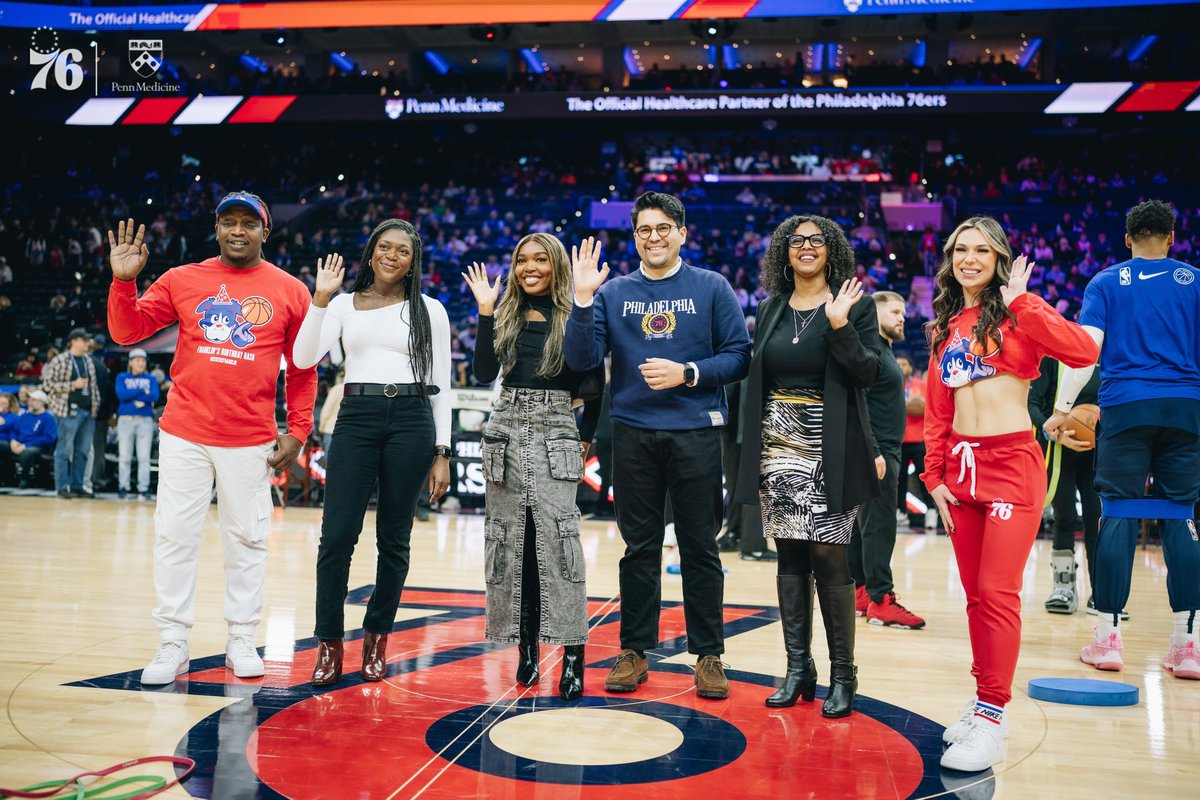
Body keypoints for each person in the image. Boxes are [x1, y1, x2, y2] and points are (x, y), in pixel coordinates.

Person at [106, 192, 318, 686]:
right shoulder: (183, 278)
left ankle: (241, 637)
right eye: (228, 222)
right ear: (216, 228)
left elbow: (304, 368)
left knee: (247, 540)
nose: (238, 231)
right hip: (185, 432)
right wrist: (123, 281)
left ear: (266, 231)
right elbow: (126, 331)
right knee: (173, 537)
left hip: (250, 438)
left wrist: (299, 430)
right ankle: (173, 643)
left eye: (248, 223)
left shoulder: (290, 291)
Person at [922, 216, 1098, 772]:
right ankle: (981, 704)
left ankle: (993, 718)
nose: (969, 259)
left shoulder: (1020, 312)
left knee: (998, 594)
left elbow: (1080, 352)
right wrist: (934, 477)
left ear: (999, 258)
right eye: (960, 249)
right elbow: (938, 408)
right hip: (961, 473)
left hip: (1011, 465)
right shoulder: (947, 322)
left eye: (981, 250)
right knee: (975, 597)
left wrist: (1024, 302)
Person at [564, 191, 751, 700]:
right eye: (644, 230)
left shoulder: (712, 288)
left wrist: (687, 373)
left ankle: (708, 654)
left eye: (663, 228)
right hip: (632, 431)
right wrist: (582, 301)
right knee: (639, 547)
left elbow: (739, 357)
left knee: (699, 546)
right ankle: (634, 650)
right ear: (635, 237)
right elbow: (582, 360)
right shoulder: (612, 292)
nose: (654, 237)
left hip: (695, 429)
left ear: (682, 233)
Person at [292, 219, 452, 688]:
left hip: (412, 418)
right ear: (371, 252)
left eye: (403, 250)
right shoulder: (341, 304)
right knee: (337, 536)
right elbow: (303, 358)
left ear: (412, 261)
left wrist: (442, 450)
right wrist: (319, 300)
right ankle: (328, 642)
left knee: (394, 539)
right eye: (385, 246)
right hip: (357, 415)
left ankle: (377, 636)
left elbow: (443, 385)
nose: (392, 255)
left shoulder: (430, 310)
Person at [1045, 200, 1200, 680]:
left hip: (1126, 406)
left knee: (1116, 510)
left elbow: (1085, 350)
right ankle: (1188, 644)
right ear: (1173, 237)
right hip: (1186, 409)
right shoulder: (1195, 281)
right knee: (1181, 514)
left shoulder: (1107, 282)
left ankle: (1107, 640)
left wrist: (1061, 409)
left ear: (1127, 238)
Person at [733, 215, 879, 718]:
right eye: (798, 241)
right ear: (785, 252)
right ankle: (799, 668)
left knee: (830, 558)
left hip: (830, 447)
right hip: (778, 448)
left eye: (817, 241)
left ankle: (844, 674)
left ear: (830, 251)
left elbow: (870, 372)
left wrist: (839, 326)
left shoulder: (853, 307)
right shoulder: (771, 307)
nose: (807, 247)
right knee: (790, 557)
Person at [465, 232, 605, 701]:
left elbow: (592, 378)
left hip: (557, 427)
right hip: (505, 425)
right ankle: (525, 649)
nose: (530, 267)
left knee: (562, 545)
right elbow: (484, 373)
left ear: (556, 265)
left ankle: (572, 655)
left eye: (540, 259)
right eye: (522, 259)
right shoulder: (503, 312)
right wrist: (485, 311)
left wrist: (584, 439)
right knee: (511, 543)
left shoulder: (577, 315)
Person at [849, 291, 926, 629]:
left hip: (880, 449)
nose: (902, 317)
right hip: (879, 450)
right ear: (873, 312)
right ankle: (882, 599)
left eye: (903, 311)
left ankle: (863, 591)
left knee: (866, 526)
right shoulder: (870, 350)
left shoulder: (883, 350)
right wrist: (876, 449)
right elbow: (859, 403)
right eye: (894, 310)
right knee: (879, 526)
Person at [1028, 357, 1103, 615]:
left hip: (1096, 454)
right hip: (1058, 450)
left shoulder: (1108, 360)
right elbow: (1032, 404)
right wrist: (1055, 432)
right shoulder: (1053, 360)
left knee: (1096, 519)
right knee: (1064, 517)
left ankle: (1101, 592)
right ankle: (1064, 588)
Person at [41, 328, 98, 499]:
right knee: (64, 450)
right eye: (84, 340)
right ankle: (62, 486)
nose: (87, 343)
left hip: (87, 411)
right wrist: (72, 385)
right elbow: (48, 385)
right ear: (74, 341)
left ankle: (77, 485)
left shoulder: (88, 361)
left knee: (83, 450)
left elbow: (93, 387)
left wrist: (95, 405)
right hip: (67, 411)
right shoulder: (60, 360)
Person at [114, 348, 160, 500]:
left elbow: (154, 395)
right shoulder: (122, 377)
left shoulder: (151, 378)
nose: (141, 363)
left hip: (145, 420)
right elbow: (121, 394)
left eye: (143, 360)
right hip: (125, 420)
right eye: (138, 360)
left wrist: (131, 396)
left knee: (144, 457)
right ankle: (123, 486)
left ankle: (143, 488)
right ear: (131, 362)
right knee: (125, 456)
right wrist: (142, 391)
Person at [896, 354, 936, 530]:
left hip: (919, 439)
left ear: (910, 368)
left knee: (924, 479)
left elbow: (929, 406)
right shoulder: (893, 384)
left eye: (904, 364)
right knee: (900, 479)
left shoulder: (921, 385)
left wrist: (915, 405)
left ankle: (932, 511)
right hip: (899, 439)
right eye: (898, 364)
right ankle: (901, 512)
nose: (901, 367)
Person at [0, 390, 56, 488]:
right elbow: (14, 431)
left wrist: (26, 445)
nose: (30, 403)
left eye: (33, 400)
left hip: (39, 447)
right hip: (19, 444)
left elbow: (49, 438)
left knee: (27, 452)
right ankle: (7, 478)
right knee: (2, 445)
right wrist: (13, 441)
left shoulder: (48, 418)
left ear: (42, 402)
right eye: (29, 400)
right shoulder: (24, 416)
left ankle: (25, 480)